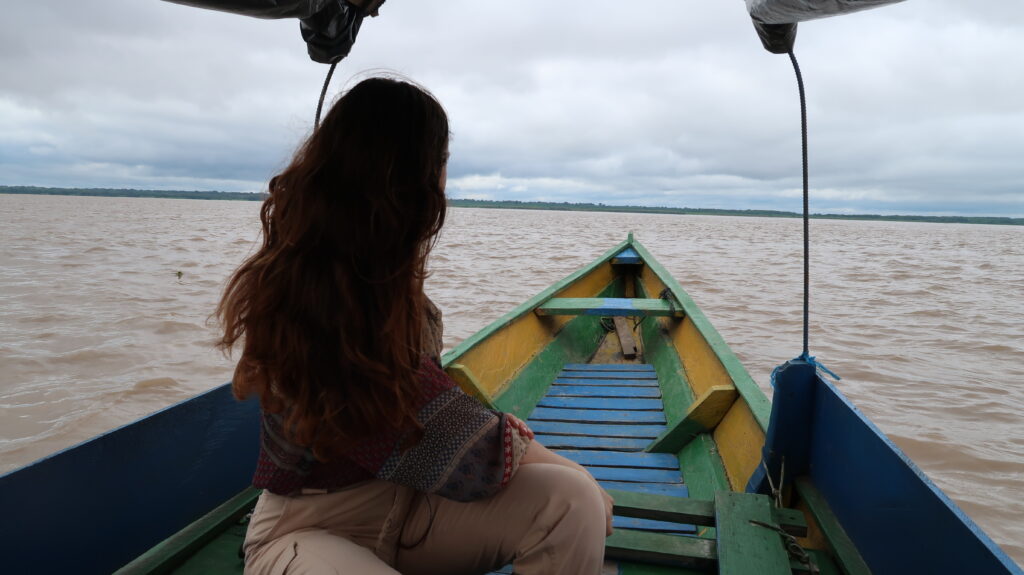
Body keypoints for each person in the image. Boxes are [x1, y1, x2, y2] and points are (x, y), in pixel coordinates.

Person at [216, 76, 613, 575]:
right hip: (308, 525)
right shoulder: (300, 296)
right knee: (576, 482)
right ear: (408, 178)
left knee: (573, 502)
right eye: (441, 163)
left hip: (408, 505)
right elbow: (436, 432)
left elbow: (435, 409)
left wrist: (578, 481)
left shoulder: (392, 283)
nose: (446, 179)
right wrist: (563, 461)